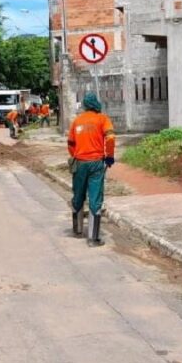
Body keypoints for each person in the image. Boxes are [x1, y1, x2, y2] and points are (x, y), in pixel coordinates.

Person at [67, 92, 116, 247]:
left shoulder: (76, 121)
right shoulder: (102, 119)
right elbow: (110, 137)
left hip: (80, 163)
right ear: (96, 103)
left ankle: (77, 230)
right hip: (96, 164)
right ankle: (93, 239)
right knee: (95, 197)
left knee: (78, 194)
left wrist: (76, 155)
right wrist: (109, 156)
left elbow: (70, 143)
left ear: (85, 105)